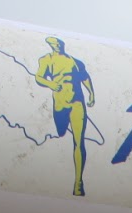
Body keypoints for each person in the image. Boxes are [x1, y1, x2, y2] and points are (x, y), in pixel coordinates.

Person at [34, 37, 96, 197]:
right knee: (60, 132)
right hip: (60, 103)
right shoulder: (46, 60)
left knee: (78, 142)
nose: (57, 46)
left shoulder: (75, 61)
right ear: (50, 46)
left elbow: (85, 77)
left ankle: (78, 182)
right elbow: (39, 77)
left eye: (59, 44)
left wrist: (91, 93)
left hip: (77, 102)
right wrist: (51, 84)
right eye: (54, 44)